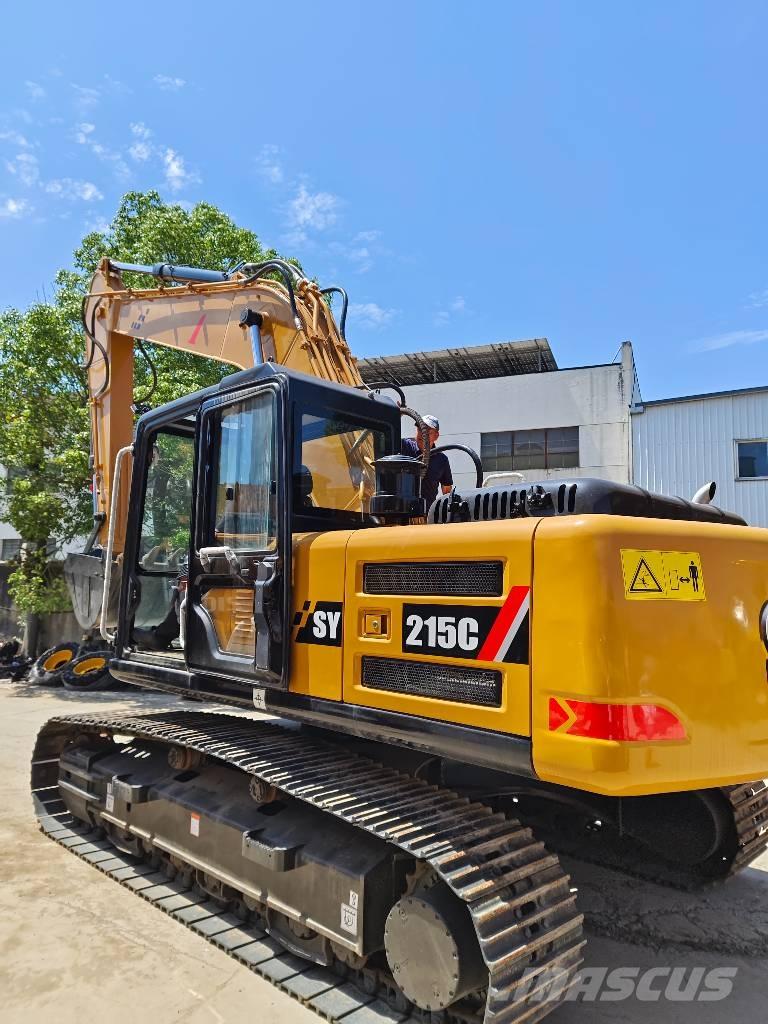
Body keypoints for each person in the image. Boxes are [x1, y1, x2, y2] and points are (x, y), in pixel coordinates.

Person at [401, 414, 453, 508]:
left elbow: (447, 491)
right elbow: (387, 438)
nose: (422, 434)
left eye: (427, 431)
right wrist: (397, 415)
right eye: (420, 429)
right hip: (403, 512)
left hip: (427, 515)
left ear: (436, 436)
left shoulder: (442, 460)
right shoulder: (404, 446)